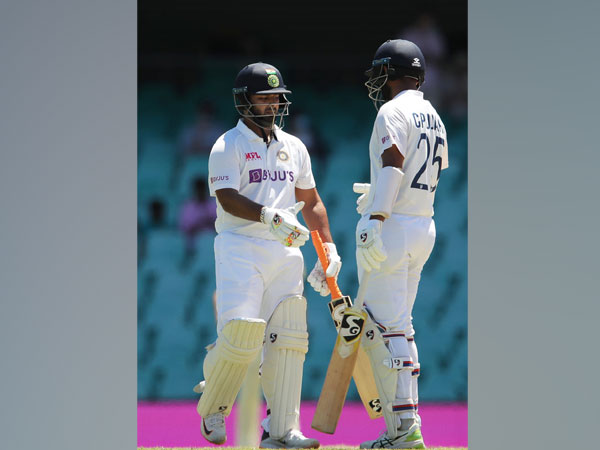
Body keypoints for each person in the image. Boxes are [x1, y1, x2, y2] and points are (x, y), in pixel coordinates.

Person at [196, 62, 341, 448]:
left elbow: (311, 202)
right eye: (264, 98)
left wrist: (328, 246)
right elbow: (225, 198)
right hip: (241, 246)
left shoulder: (294, 147)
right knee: (242, 335)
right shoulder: (227, 145)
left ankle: (281, 430)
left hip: (286, 251)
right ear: (244, 101)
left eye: (277, 97)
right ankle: (214, 401)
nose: (273, 105)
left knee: (289, 340)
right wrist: (265, 215)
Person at [353, 39, 449, 449]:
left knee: (381, 326)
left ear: (390, 73)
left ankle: (402, 430)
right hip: (423, 224)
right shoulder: (434, 115)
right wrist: (379, 195)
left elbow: (393, 162)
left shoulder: (391, 111)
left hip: (392, 227)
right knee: (401, 326)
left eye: (381, 72)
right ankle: (406, 423)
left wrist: (377, 214)